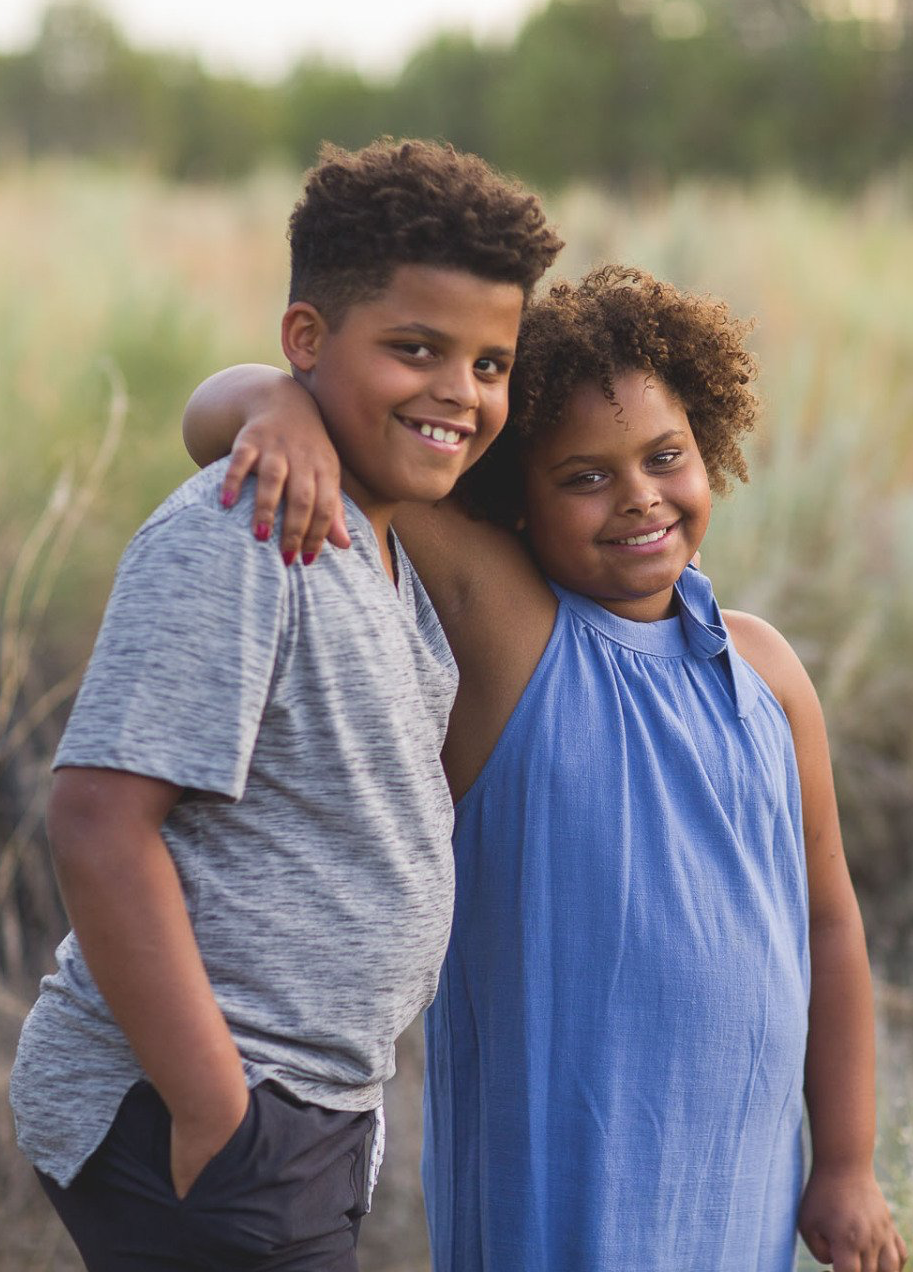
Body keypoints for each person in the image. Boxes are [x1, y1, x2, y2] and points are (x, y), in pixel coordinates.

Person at [181, 264, 907, 1272]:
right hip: (561, 1188)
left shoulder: (768, 673)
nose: (638, 497)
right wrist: (271, 402)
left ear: (711, 447)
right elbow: (218, 418)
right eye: (584, 476)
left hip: (740, 1177)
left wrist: (843, 1163)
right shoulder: (515, 637)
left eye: (665, 456)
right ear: (509, 496)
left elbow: (828, 921)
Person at [9, 138, 562, 1272]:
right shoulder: (251, 529)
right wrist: (216, 1109)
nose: (459, 390)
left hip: (302, 1100)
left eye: (491, 362)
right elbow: (99, 819)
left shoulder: (381, 541)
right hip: (203, 1097)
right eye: (417, 349)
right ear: (306, 341)